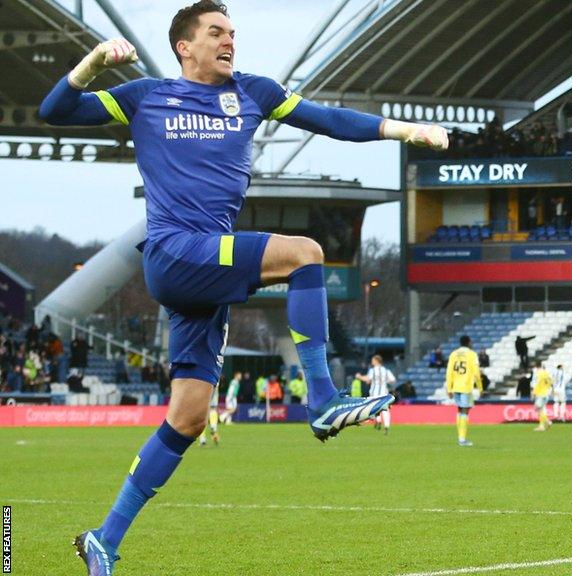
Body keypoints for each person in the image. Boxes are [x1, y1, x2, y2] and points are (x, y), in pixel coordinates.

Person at [43, 3, 434, 568]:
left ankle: (104, 537)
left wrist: (402, 129)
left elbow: (327, 119)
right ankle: (323, 401)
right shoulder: (145, 96)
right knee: (305, 254)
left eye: (233, 33)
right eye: (217, 32)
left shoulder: (252, 91)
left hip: (205, 274)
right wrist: (95, 63)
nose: (230, 41)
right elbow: (56, 110)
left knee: (189, 418)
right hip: (175, 251)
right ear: (185, 45)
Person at [446, 335, 482, 447]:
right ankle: (462, 439)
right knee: (465, 411)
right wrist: (480, 387)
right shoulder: (472, 354)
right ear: (469, 342)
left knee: (460, 410)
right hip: (466, 386)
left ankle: (460, 437)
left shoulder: (453, 354)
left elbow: (449, 371)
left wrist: (449, 387)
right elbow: (476, 372)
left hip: (455, 386)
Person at [357, 355, 396, 434]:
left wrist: (359, 376)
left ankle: (378, 421)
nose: (372, 361)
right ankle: (386, 427)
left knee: (374, 408)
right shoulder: (386, 370)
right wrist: (384, 381)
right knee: (385, 410)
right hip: (384, 393)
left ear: (377, 361)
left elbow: (368, 379)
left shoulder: (373, 370)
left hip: (375, 393)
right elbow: (393, 380)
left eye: (373, 360)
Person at [530, 360, 553, 432]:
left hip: (540, 394)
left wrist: (533, 393)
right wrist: (549, 390)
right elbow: (551, 382)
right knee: (541, 409)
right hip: (546, 393)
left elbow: (536, 384)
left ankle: (547, 422)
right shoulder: (546, 372)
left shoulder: (537, 373)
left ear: (536, 366)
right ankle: (542, 425)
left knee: (537, 409)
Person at [198, 381, 220, 447]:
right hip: (214, 383)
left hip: (203, 384)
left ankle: (202, 440)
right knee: (213, 409)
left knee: (202, 415)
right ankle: (213, 427)